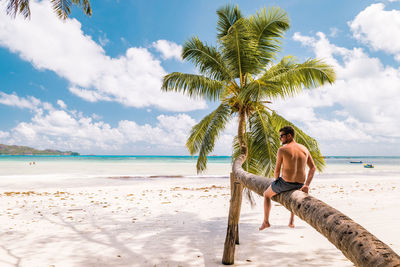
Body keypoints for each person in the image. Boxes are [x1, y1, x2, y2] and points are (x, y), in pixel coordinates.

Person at [259, 126, 316, 230]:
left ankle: (266, 222)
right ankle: (291, 221)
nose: (280, 139)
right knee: (293, 193)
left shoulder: (282, 150)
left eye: (281, 136)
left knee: (266, 195)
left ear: (289, 136)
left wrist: (276, 180)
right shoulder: (304, 149)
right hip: (300, 184)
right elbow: (313, 168)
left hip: (285, 183)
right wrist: (307, 185)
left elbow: (277, 170)